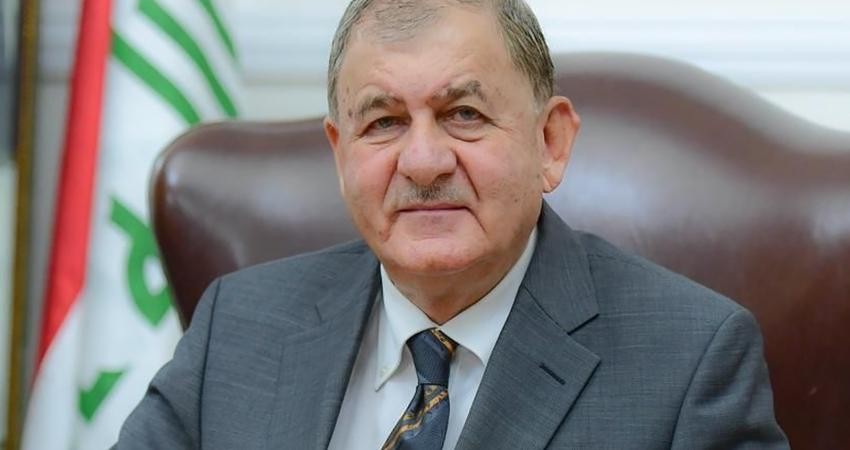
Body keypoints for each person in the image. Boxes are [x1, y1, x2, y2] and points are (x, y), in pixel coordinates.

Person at [115, 0, 789, 448]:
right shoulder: (239, 328)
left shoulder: (690, 363)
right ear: (341, 155)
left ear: (550, 143)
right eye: (384, 122)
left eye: (464, 114)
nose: (423, 161)